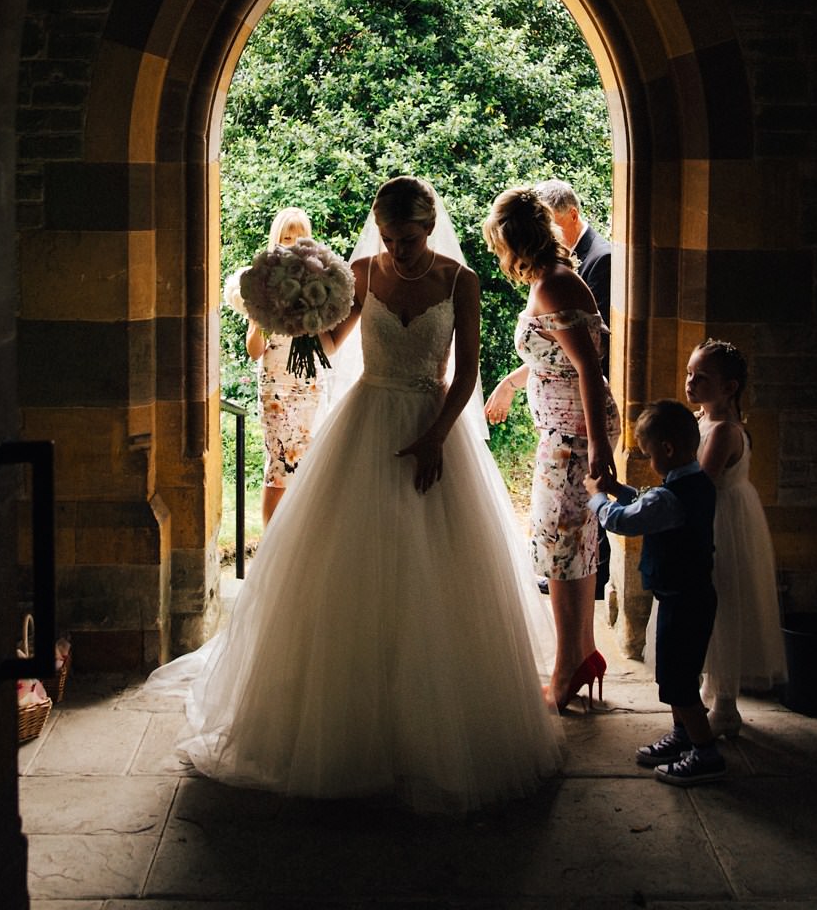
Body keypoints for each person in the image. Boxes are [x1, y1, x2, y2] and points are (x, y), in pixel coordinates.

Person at [155, 176, 561, 812]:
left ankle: (431, 733)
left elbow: (468, 376)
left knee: (437, 577)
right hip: (367, 419)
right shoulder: (362, 273)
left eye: (413, 239)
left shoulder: (460, 282)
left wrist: (433, 440)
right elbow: (333, 344)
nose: (401, 251)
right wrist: (301, 309)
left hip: (434, 424)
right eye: (393, 239)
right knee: (351, 572)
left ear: (430, 230)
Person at [482, 185, 621, 713]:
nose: (500, 256)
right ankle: (581, 655)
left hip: (572, 438)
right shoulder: (552, 281)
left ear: (516, 241)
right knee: (575, 548)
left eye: (499, 245)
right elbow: (559, 357)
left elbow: (589, 367)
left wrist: (601, 450)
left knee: (561, 553)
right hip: (564, 431)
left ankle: (567, 670)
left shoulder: (556, 285)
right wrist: (515, 382)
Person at [587, 399, 727, 786]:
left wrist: (598, 497)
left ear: (666, 450)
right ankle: (683, 737)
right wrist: (617, 487)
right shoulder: (695, 484)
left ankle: (705, 754)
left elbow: (623, 520)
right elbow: (648, 502)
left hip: (683, 601)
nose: (648, 462)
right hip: (691, 597)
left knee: (681, 683)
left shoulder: (670, 498)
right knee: (675, 675)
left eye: (647, 454)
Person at [688, 339, 786, 736]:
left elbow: (701, 483)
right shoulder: (704, 420)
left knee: (722, 602)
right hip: (717, 515)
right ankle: (713, 690)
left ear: (729, 388)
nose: (691, 382)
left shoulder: (725, 432)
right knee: (709, 602)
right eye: (689, 374)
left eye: (702, 377)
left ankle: (725, 706)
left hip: (722, 520)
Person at [242, 207, 325, 525]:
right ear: (276, 240)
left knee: (305, 463)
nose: (292, 244)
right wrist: (260, 319)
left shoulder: (318, 280)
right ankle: (269, 549)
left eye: (299, 237)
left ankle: (297, 542)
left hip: (308, 381)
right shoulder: (261, 284)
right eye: (286, 237)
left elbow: (325, 339)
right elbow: (254, 350)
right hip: (275, 384)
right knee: (279, 464)